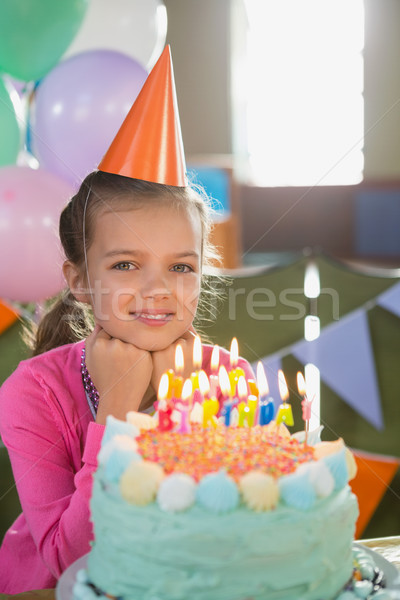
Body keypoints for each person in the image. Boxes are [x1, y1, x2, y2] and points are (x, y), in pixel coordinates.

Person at [0, 47, 254, 593]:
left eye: (180, 267)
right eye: (124, 264)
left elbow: (235, 538)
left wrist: (180, 416)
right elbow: (71, 561)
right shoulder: (34, 393)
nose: (157, 289)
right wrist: (115, 415)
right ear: (79, 281)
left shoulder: (231, 381)